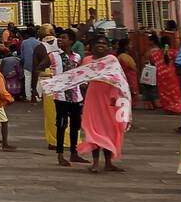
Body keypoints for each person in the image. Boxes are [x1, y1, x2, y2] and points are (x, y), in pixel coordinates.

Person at [44, 33, 130, 172]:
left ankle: (108, 162)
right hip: (92, 100)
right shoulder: (87, 60)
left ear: (107, 46)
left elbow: (120, 81)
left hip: (110, 100)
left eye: (103, 43)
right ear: (92, 46)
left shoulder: (111, 60)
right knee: (94, 131)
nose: (101, 45)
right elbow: (78, 78)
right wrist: (57, 84)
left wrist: (117, 98)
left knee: (108, 131)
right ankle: (95, 163)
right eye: (98, 43)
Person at [49, 29, 85, 166]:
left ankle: (74, 152)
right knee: (62, 124)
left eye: (63, 38)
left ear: (71, 41)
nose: (60, 40)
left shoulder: (76, 57)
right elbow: (39, 66)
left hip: (75, 95)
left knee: (76, 124)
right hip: (61, 95)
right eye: (59, 38)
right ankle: (60, 154)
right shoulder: (53, 55)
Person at [154, 33, 181, 115]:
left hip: (160, 75)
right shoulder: (174, 52)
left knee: (163, 92)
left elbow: (153, 62)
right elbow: (179, 62)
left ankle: (167, 108)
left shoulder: (155, 53)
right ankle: (177, 108)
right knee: (175, 92)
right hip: (172, 74)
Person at [19, 27, 39, 104]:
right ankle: (37, 96)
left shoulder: (24, 42)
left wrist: (22, 62)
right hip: (37, 64)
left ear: (27, 34)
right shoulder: (38, 42)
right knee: (37, 80)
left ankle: (28, 96)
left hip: (27, 64)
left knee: (27, 80)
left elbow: (22, 55)